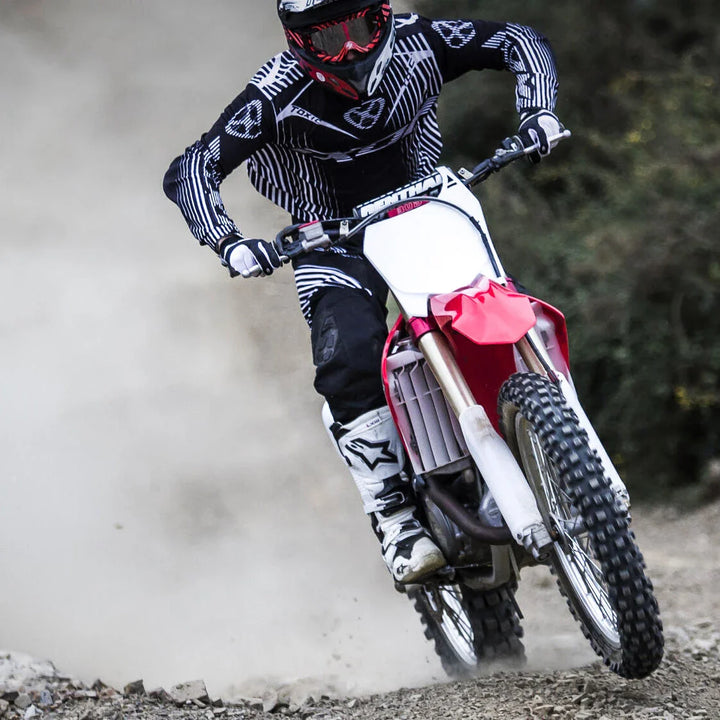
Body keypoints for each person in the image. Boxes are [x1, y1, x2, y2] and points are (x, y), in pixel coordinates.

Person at [163, 0, 564, 584]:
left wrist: (538, 112)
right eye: (329, 37)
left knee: (507, 310)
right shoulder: (274, 92)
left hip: (428, 209)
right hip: (330, 240)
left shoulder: (421, 41)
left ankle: (545, 444)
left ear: (382, 13)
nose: (351, 49)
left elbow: (517, 40)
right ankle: (396, 516)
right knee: (349, 352)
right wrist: (231, 242)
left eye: (361, 26)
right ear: (297, 39)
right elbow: (193, 169)